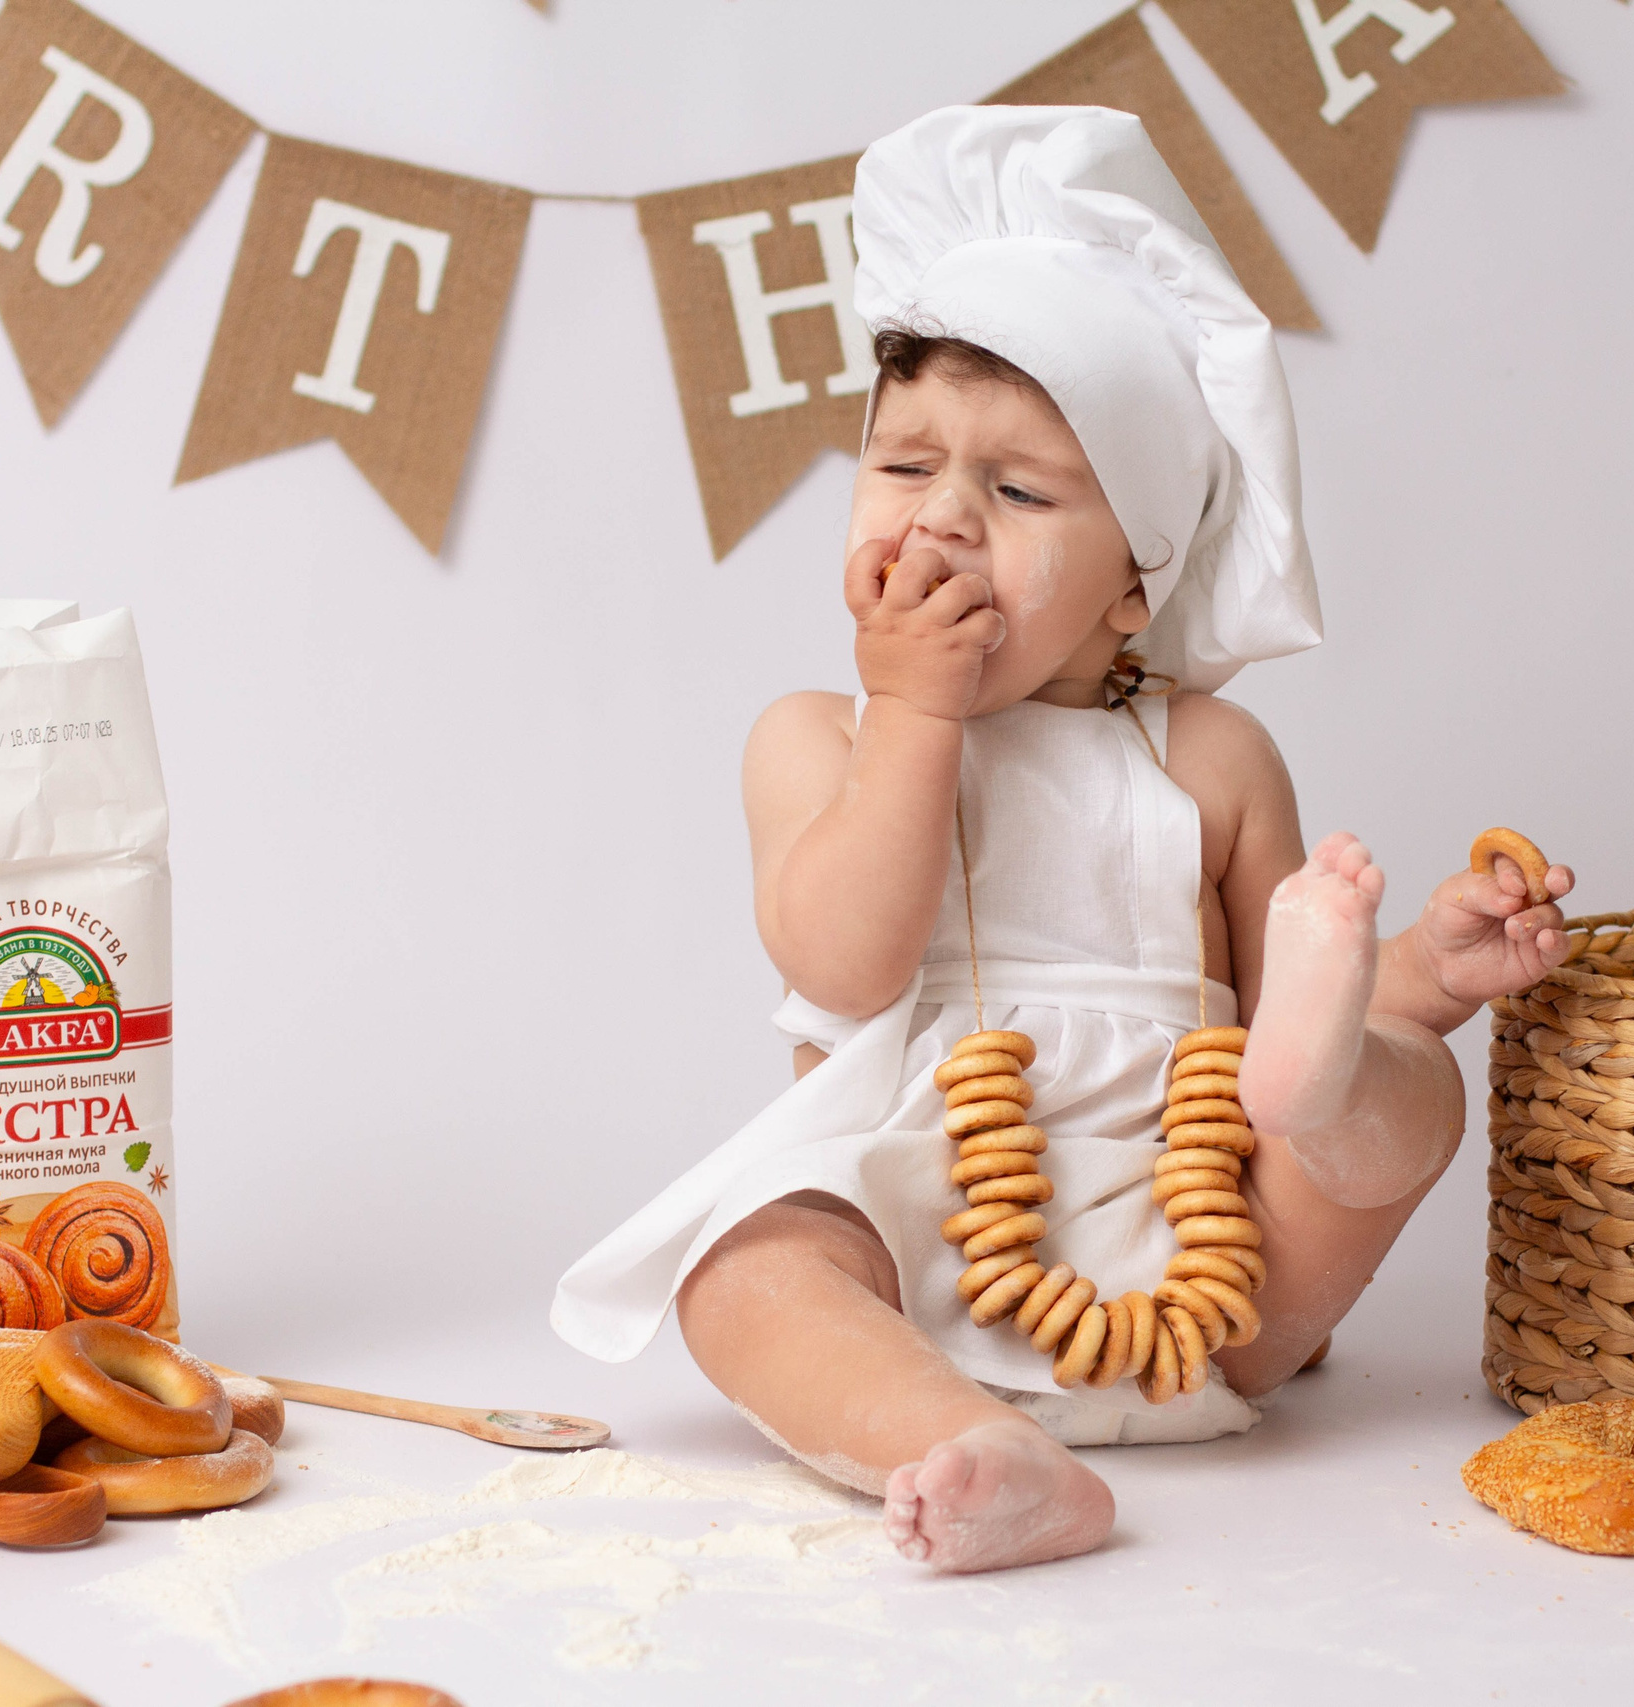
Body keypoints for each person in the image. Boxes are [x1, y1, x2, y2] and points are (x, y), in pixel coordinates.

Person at [553, 105, 1572, 1573]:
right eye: (906, 470)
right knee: (744, 1270)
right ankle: (970, 1448)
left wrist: (1416, 972)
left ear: (1133, 590)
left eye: (1019, 490)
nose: (946, 519)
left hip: (1213, 1253)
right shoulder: (817, 741)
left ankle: (1344, 1069)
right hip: (923, 1223)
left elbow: (1273, 976)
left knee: (1404, 1097)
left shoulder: (1208, 758)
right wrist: (912, 712)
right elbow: (843, 968)